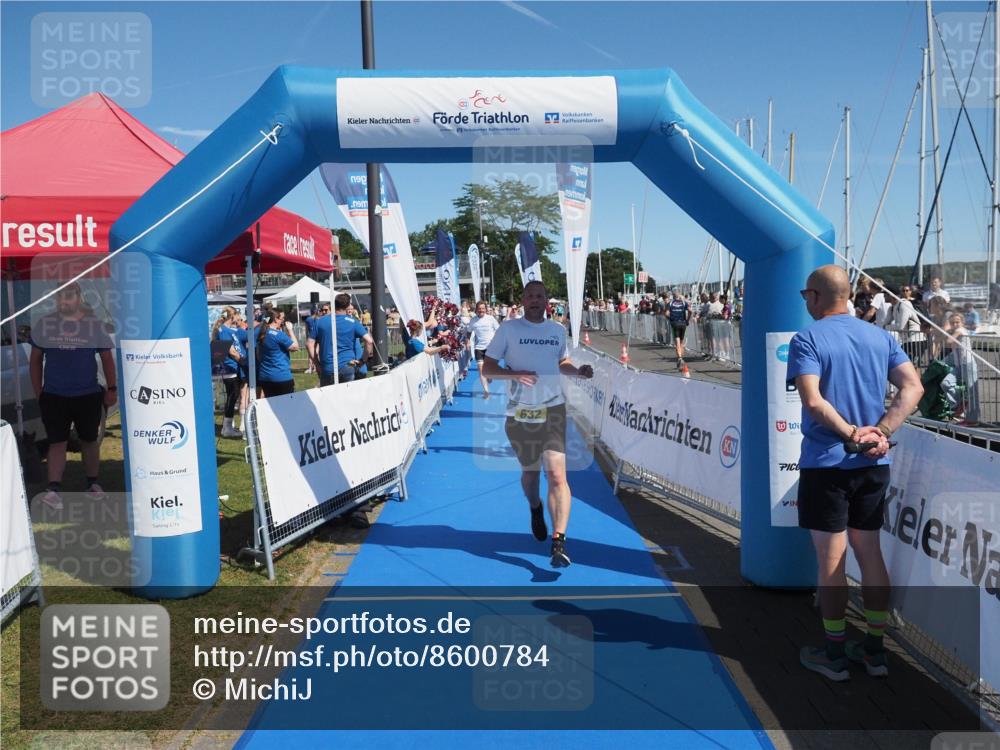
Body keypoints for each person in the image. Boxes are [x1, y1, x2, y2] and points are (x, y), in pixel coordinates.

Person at [787, 265, 923, 682]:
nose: (804, 302)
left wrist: (852, 434)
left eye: (805, 296)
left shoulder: (807, 338)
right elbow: (913, 387)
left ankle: (833, 653)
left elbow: (812, 402)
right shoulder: (880, 336)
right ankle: (875, 651)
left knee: (831, 561)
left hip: (830, 463)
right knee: (870, 554)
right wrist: (879, 432)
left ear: (815, 296)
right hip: (873, 464)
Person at [482, 280, 594, 568]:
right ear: (522, 300)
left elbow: (561, 362)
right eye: (530, 295)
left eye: (540, 296)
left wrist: (578, 371)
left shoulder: (557, 330)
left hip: (553, 410)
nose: (535, 300)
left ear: (547, 301)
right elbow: (488, 366)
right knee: (530, 475)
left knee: (557, 475)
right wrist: (514, 374)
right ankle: (535, 507)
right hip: (520, 414)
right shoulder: (509, 329)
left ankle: (559, 542)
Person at [29, 282, 117, 510]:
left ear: (78, 298)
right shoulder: (45, 324)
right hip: (54, 395)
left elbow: (107, 358)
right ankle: (54, 489)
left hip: (87, 394)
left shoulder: (93, 325)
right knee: (57, 441)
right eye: (60, 297)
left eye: (68, 297)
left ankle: (93, 485)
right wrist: (39, 391)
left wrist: (112, 389)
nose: (64, 301)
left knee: (89, 440)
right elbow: (36, 360)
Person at [314, 293, 373, 385]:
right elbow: (369, 341)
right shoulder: (353, 322)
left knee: (328, 397)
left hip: (328, 367)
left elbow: (309, 344)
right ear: (347, 306)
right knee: (348, 397)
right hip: (347, 365)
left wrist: (317, 364)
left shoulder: (320, 321)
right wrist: (363, 361)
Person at [213, 307, 247, 438]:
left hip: (233, 368)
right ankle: (227, 427)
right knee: (233, 396)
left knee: (233, 396)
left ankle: (228, 426)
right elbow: (232, 351)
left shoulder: (227, 330)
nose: (238, 320)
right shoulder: (224, 331)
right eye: (237, 317)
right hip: (230, 368)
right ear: (231, 317)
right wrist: (244, 361)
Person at [256, 309, 299, 397]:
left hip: (265, 376)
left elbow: (258, 354)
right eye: (282, 318)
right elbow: (295, 347)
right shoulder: (278, 334)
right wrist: (290, 330)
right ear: (275, 319)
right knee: (285, 408)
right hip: (281, 376)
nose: (283, 320)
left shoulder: (261, 332)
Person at [466, 301, 500, 398]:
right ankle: (486, 392)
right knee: (481, 371)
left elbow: (499, 330)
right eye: (479, 308)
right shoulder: (473, 321)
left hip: (491, 348)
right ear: (476, 309)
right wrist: (467, 341)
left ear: (485, 309)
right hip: (479, 348)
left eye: (483, 308)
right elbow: (469, 332)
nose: (481, 310)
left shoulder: (491, 319)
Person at [667, 289, 691, 366]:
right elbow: (690, 311)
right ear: (679, 295)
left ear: (673, 296)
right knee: (681, 342)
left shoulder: (670, 303)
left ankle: (680, 358)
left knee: (677, 341)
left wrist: (670, 319)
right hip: (683, 323)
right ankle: (680, 358)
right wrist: (687, 319)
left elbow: (666, 313)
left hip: (675, 323)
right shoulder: (684, 303)